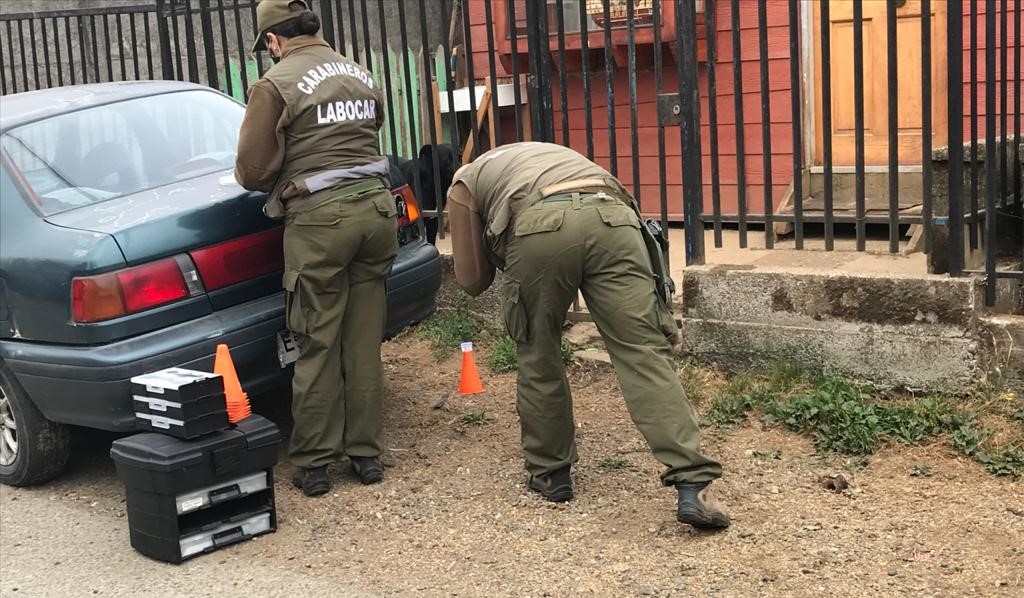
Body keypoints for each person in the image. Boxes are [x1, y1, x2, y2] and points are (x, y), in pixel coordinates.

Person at [446, 142, 730, 529]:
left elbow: (472, 279)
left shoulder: (465, 181)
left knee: (538, 352)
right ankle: (693, 479)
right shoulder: (547, 151)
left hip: (538, 226)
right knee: (642, 351)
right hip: (615, 217)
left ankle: (551, 474)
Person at [234, 0, 397, 497]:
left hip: (322, 221)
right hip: (377, 211)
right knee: (363, 339)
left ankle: (315, 463)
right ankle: (366, 455)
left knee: (318, 341)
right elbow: (372, 130)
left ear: (274, 40)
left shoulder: (276, 83)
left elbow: (252, 171)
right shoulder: (360, 73)